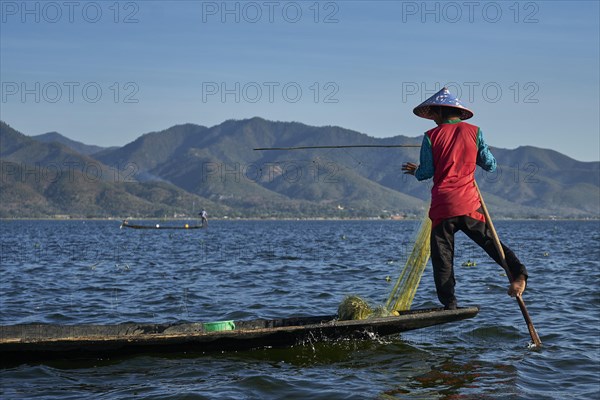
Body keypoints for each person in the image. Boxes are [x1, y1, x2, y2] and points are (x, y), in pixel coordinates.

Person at [401, 87, 528, 310]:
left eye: (433, 115)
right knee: (492, 243)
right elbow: (490, 164)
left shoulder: (431, 137)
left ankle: (449, 302)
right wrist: (471, 157)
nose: (432, 120)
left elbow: (426, 172)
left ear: (440, 112)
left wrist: (415, 171)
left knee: (443, 258)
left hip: (442, 207)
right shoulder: (475, 132)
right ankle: (518, 275)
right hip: (469, 204)